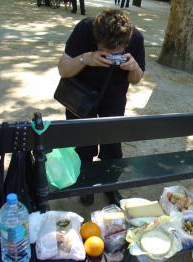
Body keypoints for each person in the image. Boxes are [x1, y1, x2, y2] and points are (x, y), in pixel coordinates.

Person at [57, 9, 145, 205]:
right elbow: (63, 69)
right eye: (105, 51)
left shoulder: (136, 38)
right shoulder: (85, 29)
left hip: (114, 96)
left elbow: (137, 79)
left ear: (127, 41)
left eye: (117, 53)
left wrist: (133, 67)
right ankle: (85, 184)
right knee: (82, 143)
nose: (111, 56)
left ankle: (110, 186)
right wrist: (85, 58)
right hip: (80, 95)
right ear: (96, 38)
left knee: (112, 145)